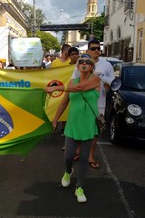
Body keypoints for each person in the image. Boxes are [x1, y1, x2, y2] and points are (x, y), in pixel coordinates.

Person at [45, 54, 100, 203]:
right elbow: (63, 103)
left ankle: (80, 187)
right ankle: (68, 171)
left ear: (92, 66)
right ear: (77, 66)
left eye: (88, 62)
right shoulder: (71, 82)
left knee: (83, 158)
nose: (84, 63)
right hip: (73, 124)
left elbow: (80, 88)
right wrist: (55, 119)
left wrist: (57, 87)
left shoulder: (95, 80)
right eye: (81, 61)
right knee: (68, 156)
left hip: (88, 124)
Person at [71, 39, 115, 169]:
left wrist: (105, 85)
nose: (97, 51)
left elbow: (111, 83)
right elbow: (73, 81)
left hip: (99, 102)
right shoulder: (81, 63)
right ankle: (79, 151)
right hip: (82, 101)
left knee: (95, 131)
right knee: (81, 126)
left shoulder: (106, 65)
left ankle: (90, 155)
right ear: (88, 50)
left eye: (98, 49)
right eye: (94, 48)